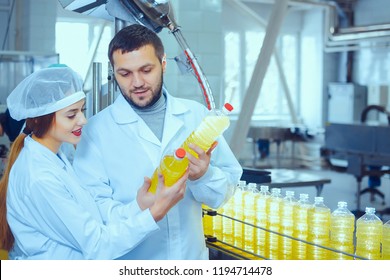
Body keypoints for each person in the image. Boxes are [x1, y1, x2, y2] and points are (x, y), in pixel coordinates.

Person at [73, 24, 243, 260]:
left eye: (146, 70)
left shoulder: (196, 115)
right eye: (125, 74)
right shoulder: (96, 131)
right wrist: (142, 207)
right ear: (114, 72)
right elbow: (95, 214)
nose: (137, 82)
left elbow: (222, 196)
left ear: (163, 64)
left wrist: (203, 175)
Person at [0, 66, 188, 259]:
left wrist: (140, 205)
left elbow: (94, 218)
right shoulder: (39, 177)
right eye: (71, 115)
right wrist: (155, 213)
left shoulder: (56, 159)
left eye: (82, 110)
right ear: (41, 119)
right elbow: (96, 244)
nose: (83, 120)